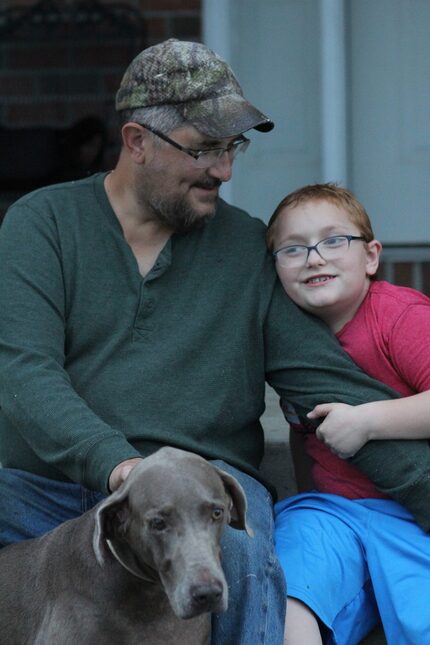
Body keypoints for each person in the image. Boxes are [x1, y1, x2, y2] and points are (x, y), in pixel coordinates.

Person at [0, 39, 429, 645]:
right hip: (40, 489)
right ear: (137, 142)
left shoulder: (244, 249)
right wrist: (121, 468)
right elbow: (24, 372)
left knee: (242, 549)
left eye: (233, 147)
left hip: (202, 492)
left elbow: (329, 392)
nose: (225, 171)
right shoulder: (42, 225)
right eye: (204, 149)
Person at [266, 183, 430, 645]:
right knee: (288, 587)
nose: (314, 258)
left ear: (372, 257)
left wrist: (368, 421)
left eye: (334, 240)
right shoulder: (288, 341)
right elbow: (305, 439)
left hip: (411, 515)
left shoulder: (400, 317)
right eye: (293, 249)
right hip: (334, 511)